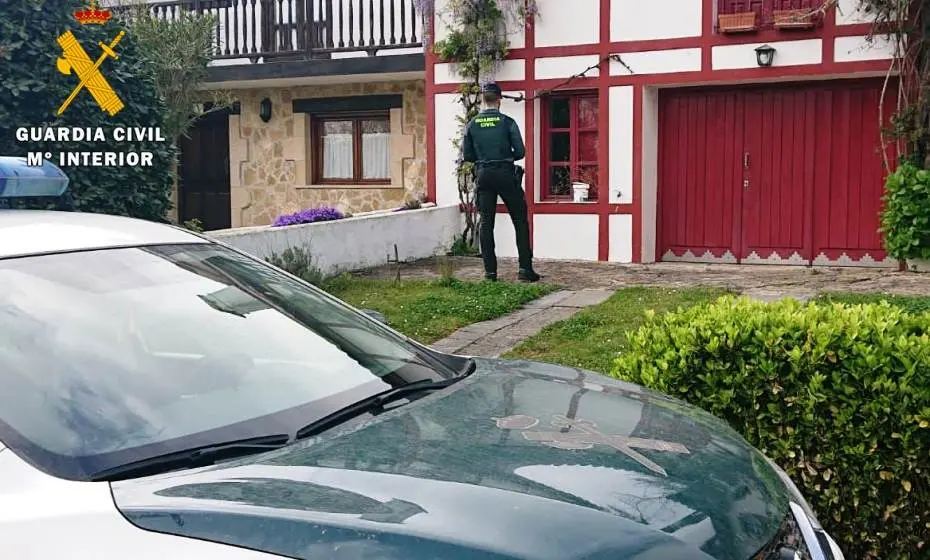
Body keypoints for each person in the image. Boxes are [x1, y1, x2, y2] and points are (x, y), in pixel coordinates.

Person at [462, 82, 541, 283]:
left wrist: (485, 158)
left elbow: (468, 155)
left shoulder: (472, 124)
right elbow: (521, 152)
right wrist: (505, 156)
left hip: (484, 175)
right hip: (506, 173)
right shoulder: (508, 122)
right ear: (499, 99)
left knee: (487, 223)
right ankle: (525, 269)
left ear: (482, 99)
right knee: (520, 221)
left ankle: (490, 273)